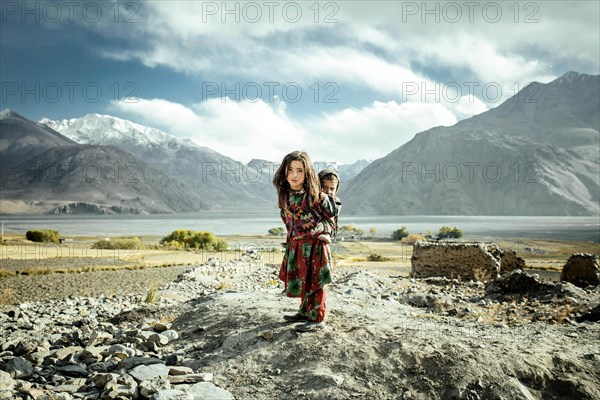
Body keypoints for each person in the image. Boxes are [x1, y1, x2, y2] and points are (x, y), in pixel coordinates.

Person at [273, 151, 339, 332]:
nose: (294, 175)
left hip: (316, 246)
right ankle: (304, 312)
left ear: (307, 172)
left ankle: (317, 319)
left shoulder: (316, 196)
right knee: (304, 280)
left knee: (317, 281)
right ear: (284, 172)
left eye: (300, 171)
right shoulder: (285, 195)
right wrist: (290, 240)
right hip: (297, 246)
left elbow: (331, 217)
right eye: (290, 170)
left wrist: (324, 232)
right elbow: (289, 221)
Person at [316, 169, 342, 244]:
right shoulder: (314, 198)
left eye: (332, 189)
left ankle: (327, 234)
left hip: (326, 226)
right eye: (324, 187)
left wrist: (325, 199)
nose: (328, 191)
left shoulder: (335, 200)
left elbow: (333, 212)